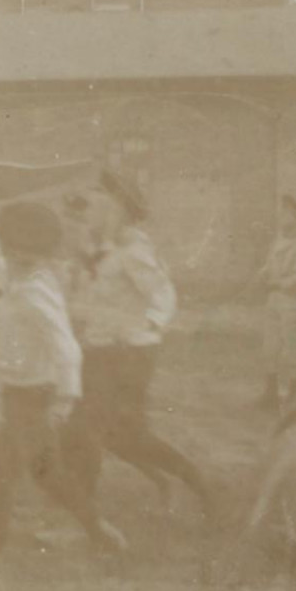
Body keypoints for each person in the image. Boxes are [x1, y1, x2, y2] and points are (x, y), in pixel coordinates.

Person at [0, 200, 124, 576]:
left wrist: (65, 398)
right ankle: (98, 532)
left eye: (10, 252)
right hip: (18, 395)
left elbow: (66, 347)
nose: (4, 258)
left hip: (34, 397)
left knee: (4, 474)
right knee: (41, 476)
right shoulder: (23, 279)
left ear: (25, 254)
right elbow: (1, 280)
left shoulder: (35, 290)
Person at [64, 170, 215, 524]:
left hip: (127, 355)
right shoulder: (108, 249)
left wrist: (145, 328)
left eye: (96, 200)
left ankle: (85, 520)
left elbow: (163, 294)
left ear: (116, 207)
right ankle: (194, 484)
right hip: (102, 351)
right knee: (122, 437)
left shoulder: (133, 250)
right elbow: (99, 301)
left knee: (89, 431)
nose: (88, 209)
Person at [258, 195, 296, 409]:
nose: (282, 217)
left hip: (294, 302)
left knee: (293, 348)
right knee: (270, 347)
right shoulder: (280, 240)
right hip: (275, 299)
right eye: (282, 212)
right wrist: (263, 274)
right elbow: (269, 264)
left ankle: (294, 395)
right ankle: (270, 394)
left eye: (287, 213)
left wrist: (278, 283)